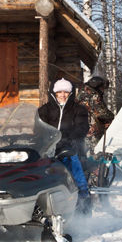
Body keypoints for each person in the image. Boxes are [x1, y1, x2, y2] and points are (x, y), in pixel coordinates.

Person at [38, 79, 91, 207]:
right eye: (59, 92)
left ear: (70, 93)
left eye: (66, 92)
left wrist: (67, 137)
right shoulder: (45, 110)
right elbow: (38, 127)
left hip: (71, 145)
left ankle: (83, 193)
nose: (62, 95)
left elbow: (82, 127)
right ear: (54, 93)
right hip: (48, 147)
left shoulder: (78, 109)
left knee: (72, 159)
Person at [76, 76, 114, 155]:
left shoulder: (82, 93)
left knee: (83, 154)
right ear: (97, 87)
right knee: (95, 155)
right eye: (102, 88)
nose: (103, 91)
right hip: (91, 131)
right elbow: (102, 113)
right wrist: (112, 116)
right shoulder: (93, 96)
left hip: (80, 130)